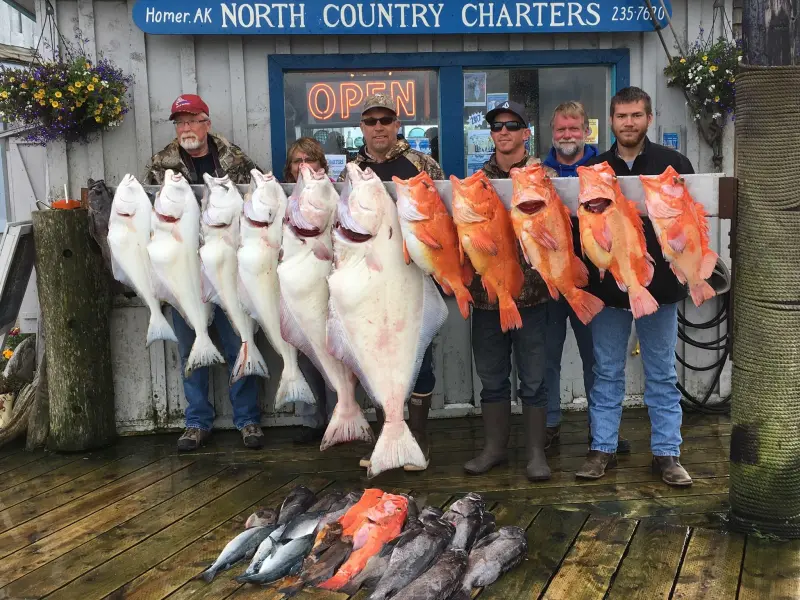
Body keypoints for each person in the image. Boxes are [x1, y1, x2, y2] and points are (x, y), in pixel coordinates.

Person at [576, 86, 695, 487]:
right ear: (611, 121)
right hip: (608, 290)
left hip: (659, 289)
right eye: (622, 116)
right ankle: (602, 449)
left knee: (661, 373)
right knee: (606, 372)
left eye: (636, 115)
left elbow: (692, 222)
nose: (629, 123)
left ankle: (667, 453)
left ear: (649, 118)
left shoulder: (672, 163)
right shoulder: (595, 170)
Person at [142, 93, 265, 452]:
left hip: (226, 270)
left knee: (237, 342)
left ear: (207, 123)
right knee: (189, 348)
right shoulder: (159, 164)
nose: (186, 128)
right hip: (181, 272)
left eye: (193, 120)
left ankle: (248, 419)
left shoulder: (236, 160)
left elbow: (256, 206)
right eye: (180, 122)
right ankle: (196, 422)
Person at [339, 93, 444, 472]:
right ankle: (389, 434)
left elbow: (438, 215)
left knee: (420, 359)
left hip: (411, 277)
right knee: (373, 354)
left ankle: (417, 437)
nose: (379, 127)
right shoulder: (351, 169)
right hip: (368, 279)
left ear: (397, 124)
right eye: (371, 121)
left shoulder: (421, 163)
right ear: (362, 127)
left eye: (385, 120)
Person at [463, 101, 556, 481]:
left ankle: (536, 452)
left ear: (525, 133)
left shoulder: (543, 176)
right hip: (488, 299)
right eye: (497, 126)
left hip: (532, 297)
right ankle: (495, 448)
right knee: (492, 377)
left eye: (512, 125)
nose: (503, 132)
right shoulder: (475, 182)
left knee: (534, 377)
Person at [541, 101, 631, 456]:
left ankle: (602, 430)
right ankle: (549, 425)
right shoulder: (537, 171)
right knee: (547, 358)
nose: (567, 135)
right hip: (549, 279)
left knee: (597, 359)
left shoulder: (602, 169)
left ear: (586, 131)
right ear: (553, 133)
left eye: (574, 128)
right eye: (561, 129)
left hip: (594, 280)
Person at [281, 138, 337, 444]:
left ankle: (339, 413)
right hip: (297, 284)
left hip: (327, 281)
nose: (303, 166)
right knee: (303, 349)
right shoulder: (283, 196)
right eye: (297, 161)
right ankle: (311, 420)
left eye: (309, 159)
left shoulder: (333, 192)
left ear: (321, 165)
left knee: (331, 349)